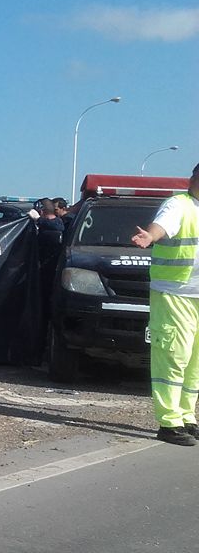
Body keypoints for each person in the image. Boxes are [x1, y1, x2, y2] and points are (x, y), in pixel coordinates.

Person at [132, 163, 199, 446]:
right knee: (174, 355)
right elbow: (162, 226)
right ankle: (169, 422)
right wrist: (150, 235)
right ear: (193, 179)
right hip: (176, 292)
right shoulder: (178, 205)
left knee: (196, 361)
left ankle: (187, 416)